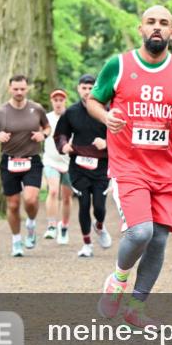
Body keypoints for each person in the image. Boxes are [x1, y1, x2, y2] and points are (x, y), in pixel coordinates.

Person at [87, 5, 172, 327]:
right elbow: (93, 100)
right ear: (141, 28)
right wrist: (106, 116)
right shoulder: (119, 64)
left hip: (166, 169)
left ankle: (136, 306)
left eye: (164, 23)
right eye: (151, 22)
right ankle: (117, 280)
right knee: (141, 232)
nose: (157, 28)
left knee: (158, 239)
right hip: (129, 165)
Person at [0, 74, 51, 257]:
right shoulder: (1, 112)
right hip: (9, 161)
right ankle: (16, 240)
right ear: (9, 89)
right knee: (12, 205)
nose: (19, 92)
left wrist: (43, 135)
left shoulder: (36, 109)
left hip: (32, 160)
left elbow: (47, 127)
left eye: (22, 89)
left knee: (30, 199)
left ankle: (31, 223)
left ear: (27, 89)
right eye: (15, 89)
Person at [54, 74, 112, 258]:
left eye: (91, 88)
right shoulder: (71, 112)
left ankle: (100, 226)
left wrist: (107, 143)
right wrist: (64, 145)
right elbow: (60, 134)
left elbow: (122, 136)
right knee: (84, 204)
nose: (87, 92)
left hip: (102, 166)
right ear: (78, 89)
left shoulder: (107, 111)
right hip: (78, 165)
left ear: (97, 89)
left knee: (100, 207)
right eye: (84, 88)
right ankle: (87, 244)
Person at [42, 88, 74, 244]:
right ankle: (51, 226)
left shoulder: (72, 116)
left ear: (65, 101)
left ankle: (64, 228)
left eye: (61, 100)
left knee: (67, 198)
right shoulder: (46, 119)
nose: (58, 102)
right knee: (53, 191)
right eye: (55, 100)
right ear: (51, 101)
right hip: (50, 161)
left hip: (69, 163)